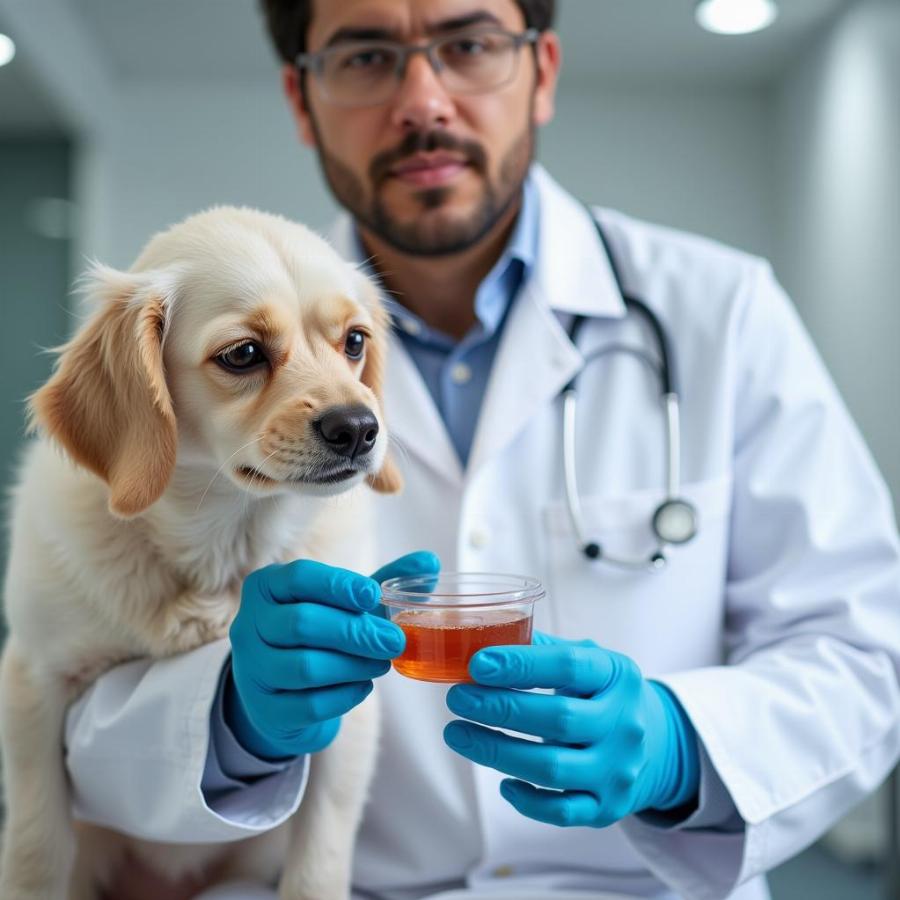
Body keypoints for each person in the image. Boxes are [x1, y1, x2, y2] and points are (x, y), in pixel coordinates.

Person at [63, 1, 900, 898]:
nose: (423, 100)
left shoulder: (723, 312)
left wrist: (680, 745)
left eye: (468, 45)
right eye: (367, 55)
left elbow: (860, 654)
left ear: (541, 71)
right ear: (301, 99)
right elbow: (73, 730)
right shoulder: (185, 365)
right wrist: (229, 719)